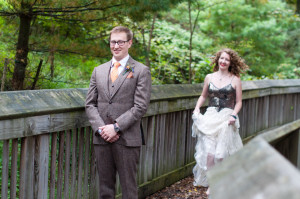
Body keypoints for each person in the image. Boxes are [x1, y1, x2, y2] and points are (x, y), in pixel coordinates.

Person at [85, 26, 152, 199]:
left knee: (129, 189)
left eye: (121, 42)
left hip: (127, 139)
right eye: (113, 42)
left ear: (129, 43)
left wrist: (116, 127)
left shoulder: (140, 70)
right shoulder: (98, 71)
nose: (116, 46)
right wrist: (101, 129)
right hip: (102, 138)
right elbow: (90, 104)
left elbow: (140, 106)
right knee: (105, 189)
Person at [192, 48, 248, 195]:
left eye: (227, 60)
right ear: (218, 60)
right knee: (209, 154)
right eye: (221, 58)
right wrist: (197, 108)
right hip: (210, 117)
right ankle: (213, 183)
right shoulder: (209, 77)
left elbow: (239, 102)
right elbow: (203, 96)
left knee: (220, 155)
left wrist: (234, 115)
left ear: (231, 63)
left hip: (226, 119)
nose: (223, 61)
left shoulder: (235, 79)